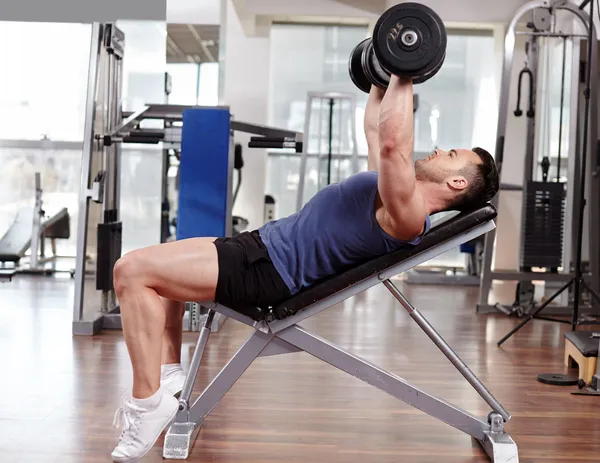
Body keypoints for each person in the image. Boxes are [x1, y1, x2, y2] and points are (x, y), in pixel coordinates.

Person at [109, 76, 499, 462]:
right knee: (155, 267)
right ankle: (169, 372)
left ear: (457, 181)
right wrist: (383, 77)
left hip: (269, 271)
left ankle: (146, 404)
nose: (437, 150)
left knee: (132, 272)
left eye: (450, 154)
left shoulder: (408, 214)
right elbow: (375, 128)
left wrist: (405, 72)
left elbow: (395, 143)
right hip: (261, 246)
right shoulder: (392, 190)